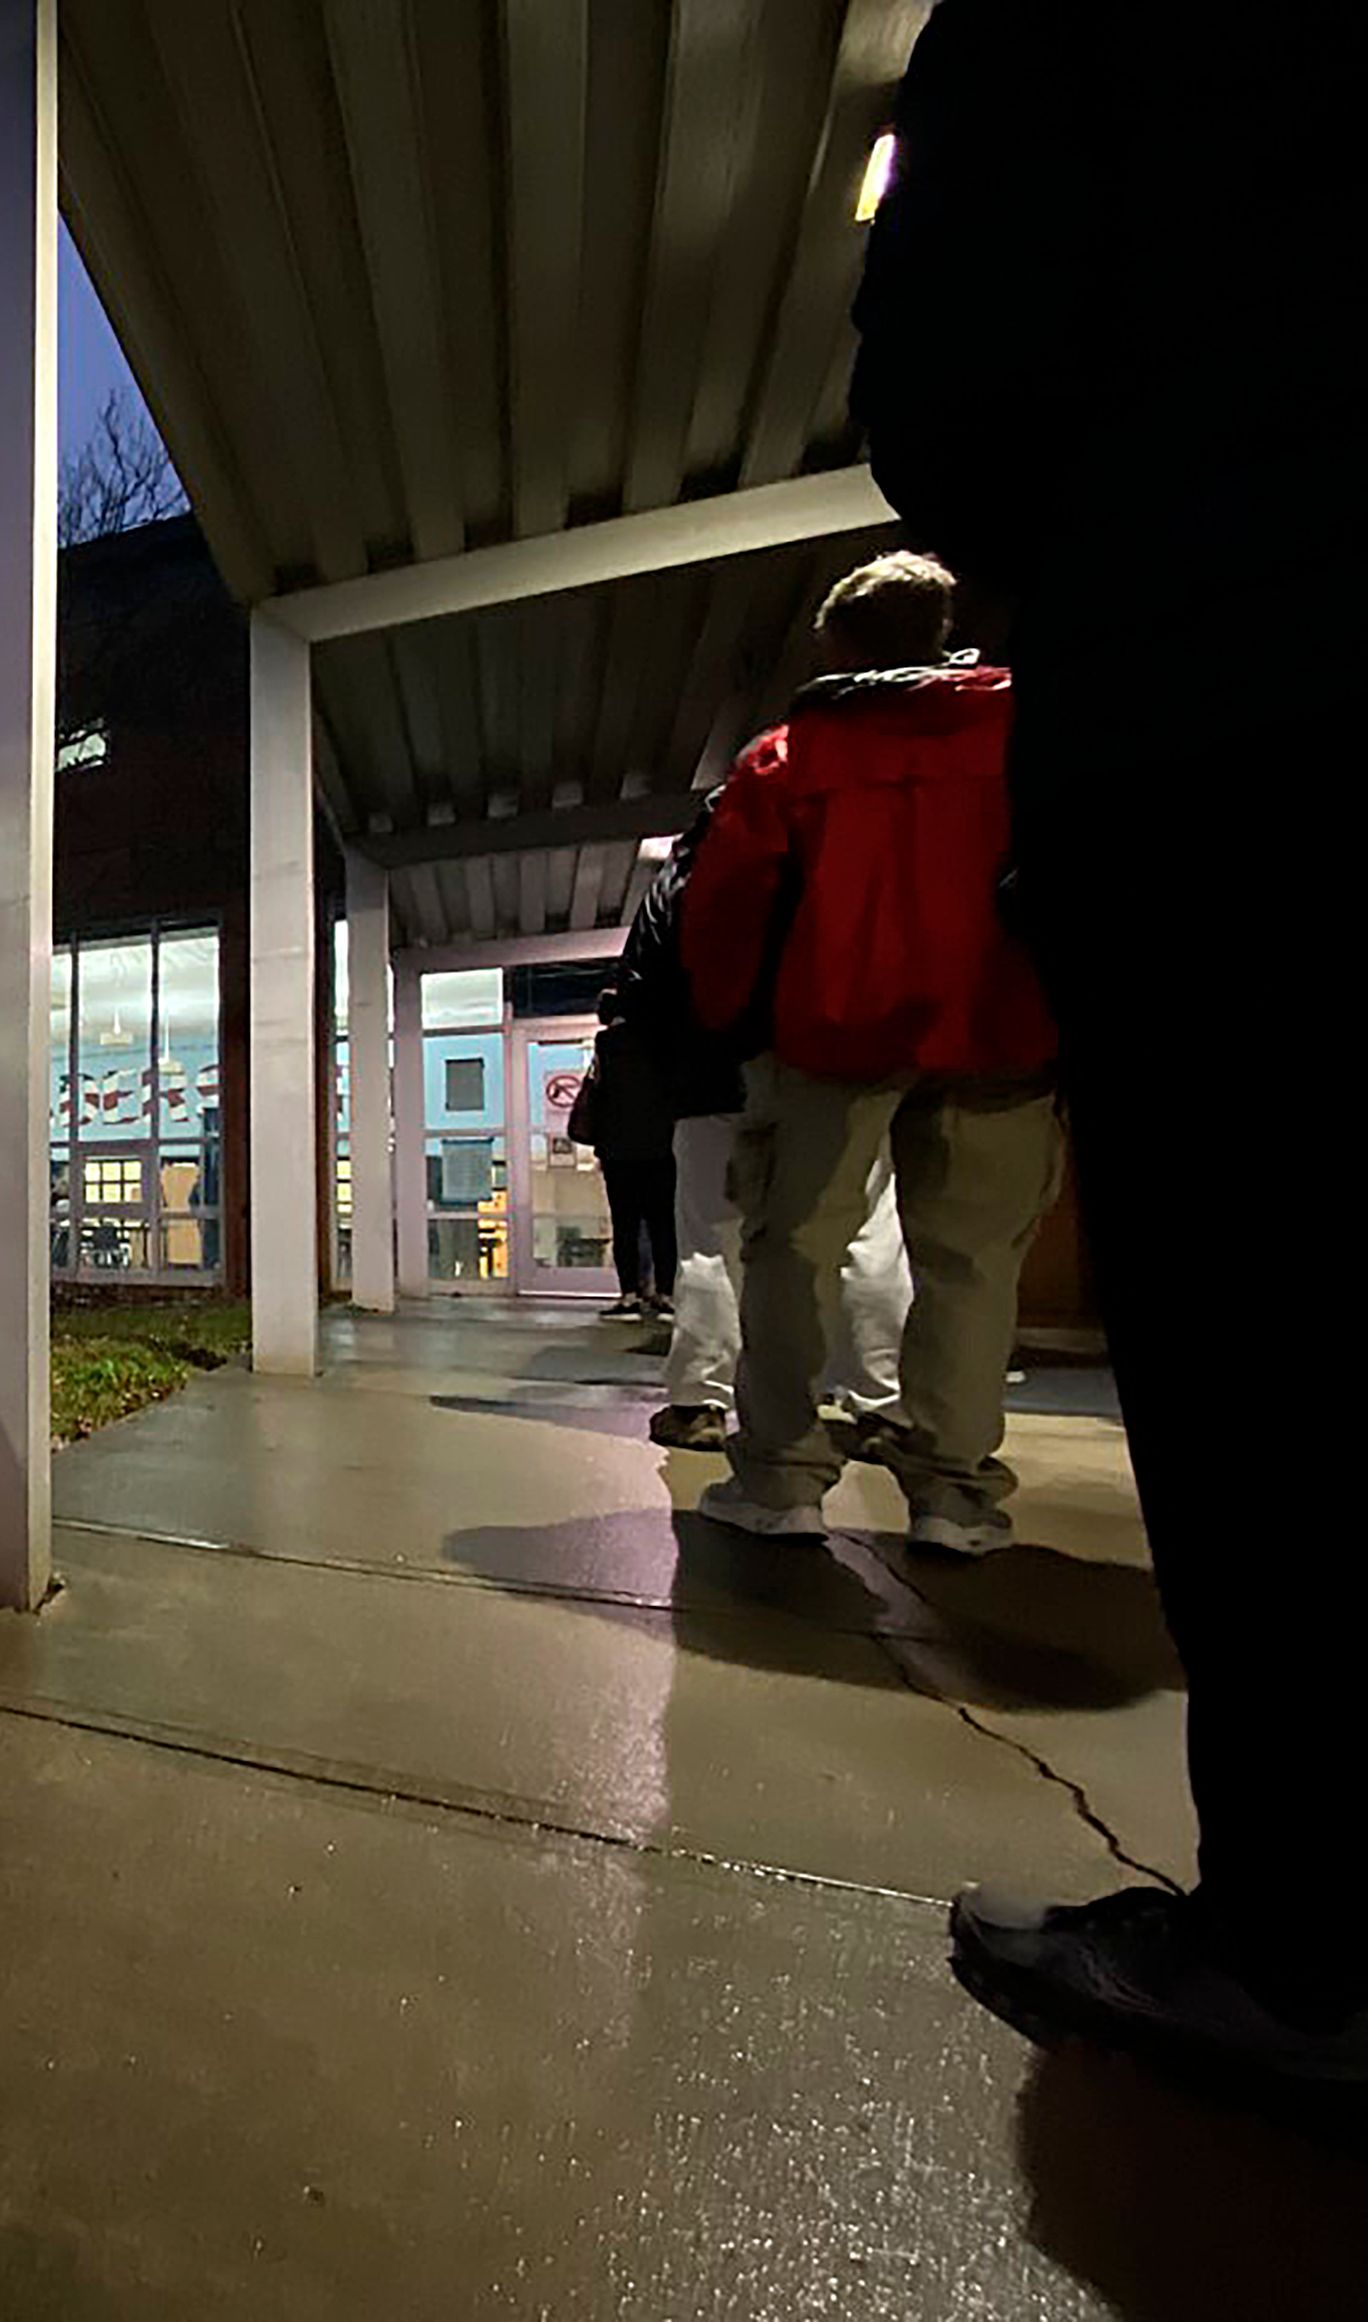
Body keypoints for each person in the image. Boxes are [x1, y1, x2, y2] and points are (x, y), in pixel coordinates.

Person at [849, 1, 1361, 2085]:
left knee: (1259, 1341)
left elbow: (958, 367)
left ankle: (1315, 1945)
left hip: (1222, 726)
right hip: (1023, 978)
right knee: (964, 1260)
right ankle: (952, 1478)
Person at [678, 549, 1060, 1557]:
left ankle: (783, 1479)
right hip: (1001, 1031)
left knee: (792, 1247)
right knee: (971, 1264)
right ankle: (952, 1492)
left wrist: (735, 1028)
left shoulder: (788, 760)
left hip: (830, 1033)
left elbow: (725, 911)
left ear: (837, 644)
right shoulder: (1029, 730)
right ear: (945, 630)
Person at [612, 798, 913, 1456]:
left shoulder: (684, 878)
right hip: (839, 1068)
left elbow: (640, 984)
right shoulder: (846, 855)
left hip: (711, 1081)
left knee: (710, 1239)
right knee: (866, 1231)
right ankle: (882, 1407)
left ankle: (700, 1402)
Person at [567, 992, 676, 1320]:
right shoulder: (661, 1042)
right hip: (661, 1149)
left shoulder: (606, 1044)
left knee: (625, 1225)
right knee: (662, 1224)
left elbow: (598, 1093)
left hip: (619, 1152)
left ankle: (629, 1296)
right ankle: (666, 1294)